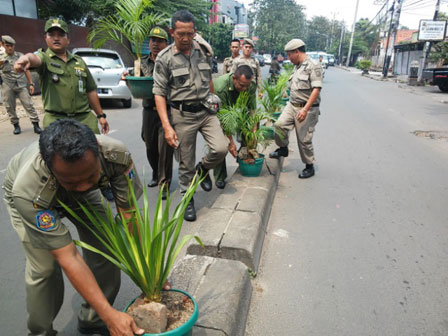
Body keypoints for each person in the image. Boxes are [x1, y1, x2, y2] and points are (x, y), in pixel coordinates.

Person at [2, 119, 151, 336]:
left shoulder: (115, 155)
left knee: (106, 244)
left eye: (91, 176)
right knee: (44, 268)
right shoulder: (27, 189)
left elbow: (128, 214)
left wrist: (147, 267)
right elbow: (67, 256)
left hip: (78, 193)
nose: (82, 186)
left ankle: (94, 317)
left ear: (97, 150)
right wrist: (113, 317)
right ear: (48, 165)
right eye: (73, 183)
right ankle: (40, 332)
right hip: (37, 198)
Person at [153, 10, 228, 222]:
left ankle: (202, 169)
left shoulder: (203, 52)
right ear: (172, 32)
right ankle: (188, 199)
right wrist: (167, 126)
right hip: (182, 114)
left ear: (194, 31)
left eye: (189, 33)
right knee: (185, 163)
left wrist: (214, 102)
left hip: (206, 111)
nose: (186, 38)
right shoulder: (164, 58)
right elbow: (158, 93)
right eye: (180, 34)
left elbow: (208, 81)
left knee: (220, 148)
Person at [13, 18, 109, 134]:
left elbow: (90, 90)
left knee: (96, 149)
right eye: (51, 35)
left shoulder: (79, 61)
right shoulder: (44, 58)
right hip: (56, 120)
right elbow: (34, 58)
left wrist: (101, 116)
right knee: (54, 151)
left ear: (68, 39)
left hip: (84, 119)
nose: (56, 38)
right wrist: (25, 58)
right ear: (45, 38)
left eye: (60, 35)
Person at [124, 27, 173, 198]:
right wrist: (126, 79)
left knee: (165, 147)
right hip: (148, 111)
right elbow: (134, 80)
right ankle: (156, 172)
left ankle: (164, 183)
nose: (155, 44)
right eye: (153, 40)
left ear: (166, 44)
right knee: (150, 145)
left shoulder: (171, 62)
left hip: (167, 110)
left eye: (159, 41)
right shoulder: (141, 62)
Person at [269, 39, 322, 179]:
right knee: (279, 125)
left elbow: (316, 89)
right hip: (292, 105)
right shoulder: (297, 66)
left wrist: (305, 110)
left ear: (297, 51)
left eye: (289, 55)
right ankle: (283, 148)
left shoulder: (313, 66)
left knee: (304, 140)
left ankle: (309, 166)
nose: (288, 58)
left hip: (306, 109)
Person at [213, 65, 256, 188]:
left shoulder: (250, 85)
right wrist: (230, 142)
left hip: (239, 111)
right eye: (242, 85)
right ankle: (219, 176)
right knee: (221, 143)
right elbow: (223, 118)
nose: (245, 88)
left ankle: (244, 159)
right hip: (222, 114)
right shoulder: (221, 87)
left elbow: (252, 110)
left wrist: (253, 131)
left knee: (250, 133)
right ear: (234, 78)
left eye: (247, 86)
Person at [0, 35, 42, 135]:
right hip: (7, 85)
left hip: (21, 85)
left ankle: (36, 125)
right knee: (9, 107)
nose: (10, 48)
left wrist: (31, 83)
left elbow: (26, 70)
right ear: (3, 45)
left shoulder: (20, 56)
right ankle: (16, 125)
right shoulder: (1, 57)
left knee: (29, 104)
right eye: (7, 45)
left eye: (12, 46)